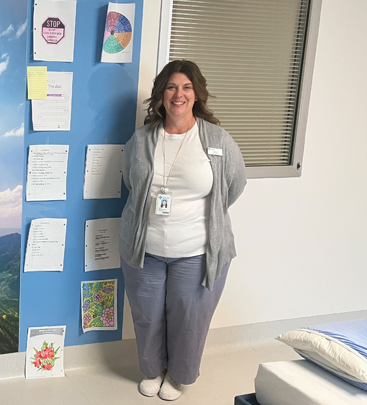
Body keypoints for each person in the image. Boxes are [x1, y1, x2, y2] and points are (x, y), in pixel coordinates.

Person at [119, 60, 246, 401]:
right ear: (161, 94)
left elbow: (233, 186)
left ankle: (177, 376)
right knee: (146, 316)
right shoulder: (142, 139)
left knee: (189, 319)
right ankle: (153, 370)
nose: (179, 94)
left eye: (186, 87)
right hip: (144, 249)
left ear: (196, 94)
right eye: (172, 87)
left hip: (196, 251)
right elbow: (131, 182)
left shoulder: (216, 139)